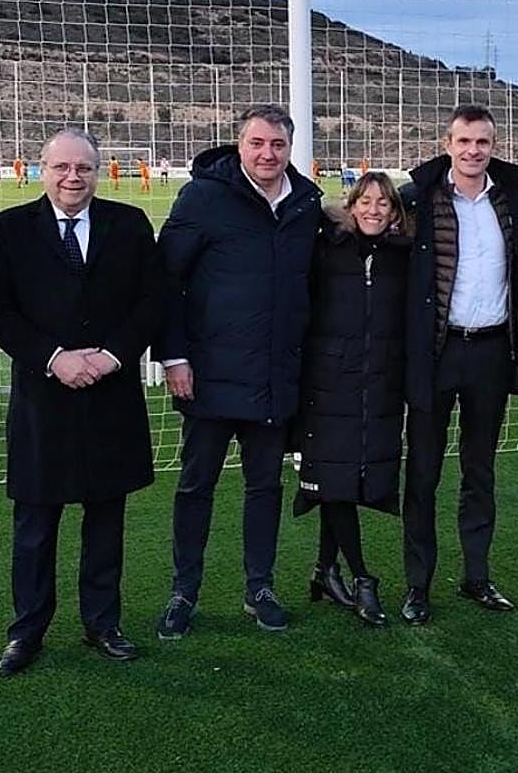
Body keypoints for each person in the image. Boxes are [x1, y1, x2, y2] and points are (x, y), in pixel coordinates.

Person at [0, 129, 164, 676]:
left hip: (111, 396)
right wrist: (54, 357)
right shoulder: (10, 229)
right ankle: (27, 630)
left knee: (106, 520)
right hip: (44, 400)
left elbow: (152, 302)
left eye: (83, 168)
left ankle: (102, 623)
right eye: (61, 167)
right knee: (35, 523)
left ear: (99, 171)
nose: (72, 177)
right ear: (41, 169)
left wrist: (111, 356)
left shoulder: (129, 226)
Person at [154, 104, 323, 638]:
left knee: (265, 485)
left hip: (274, 377)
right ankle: (184, 592)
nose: (267, 154)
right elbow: (164, 282)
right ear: (239, 145)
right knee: (195, 484)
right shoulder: (204, 197)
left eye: (277, 144)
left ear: (289, 147)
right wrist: (174, 357)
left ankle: (260, 587)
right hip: (207, 374)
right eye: (257, 144)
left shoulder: (306, 203)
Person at [399, 104, 518, 625]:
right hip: (436, 355)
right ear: (448, 144)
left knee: (479, 470)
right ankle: (417, 584)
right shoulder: (418, 200)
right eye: (464, 141)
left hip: (490, 353)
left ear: (493, 146)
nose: (473, 151)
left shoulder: (511, 204)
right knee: (422, 472)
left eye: (482, 142)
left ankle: (476, 576)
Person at [295, 171, 411, 627]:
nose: (374, 210)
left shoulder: (403, 258)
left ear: (395, 211)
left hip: (379, 384)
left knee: (346, 479)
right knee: (334, 478)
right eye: (365, 201)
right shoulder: (326, 249)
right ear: (350, 205)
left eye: (384, 203)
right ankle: (363, 577)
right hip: (327, 384)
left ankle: (325, 570)